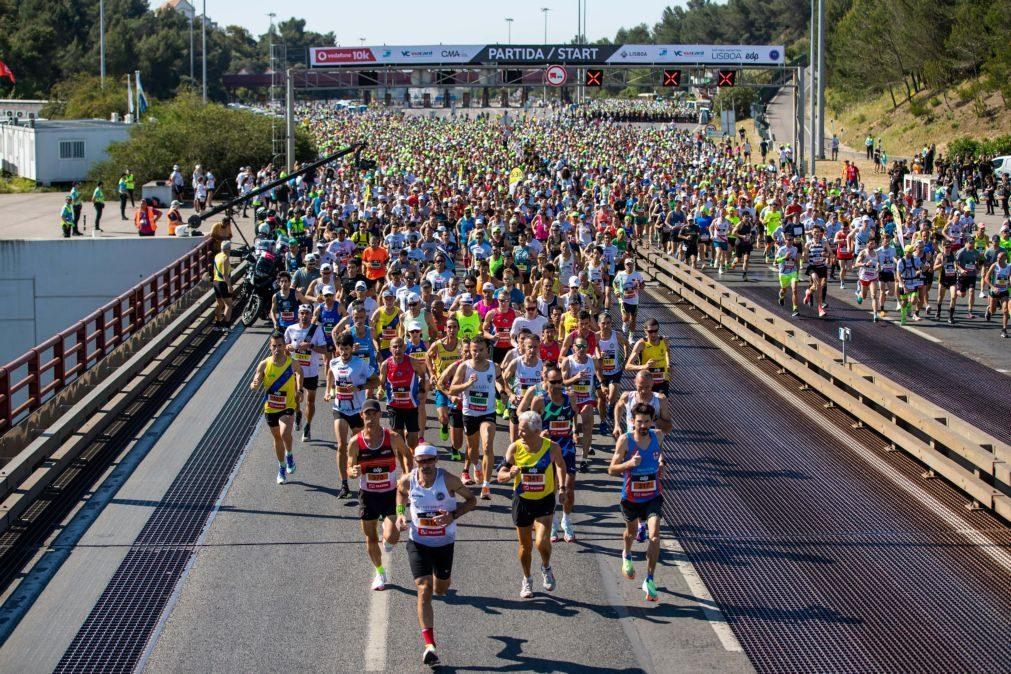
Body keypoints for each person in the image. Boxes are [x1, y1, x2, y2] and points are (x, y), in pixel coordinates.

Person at [395, 443, 477, 667]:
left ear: (436, 461)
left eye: (429, 460)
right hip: (418, 542)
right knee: (423, 587)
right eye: (421, 461)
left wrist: (453, 515)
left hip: (444, 543)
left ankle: (439, 583)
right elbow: (400, 494)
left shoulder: (448, 480)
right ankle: (429, 645)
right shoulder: (407, 480)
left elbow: (472, 500)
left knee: (441, 589)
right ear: (415, 462)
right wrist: (400, 515)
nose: (426, 465)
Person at [496, 411, 567, 599]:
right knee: (525, 546)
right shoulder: (515, 448)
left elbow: (560, 465)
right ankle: (527, 579)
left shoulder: (552, 448)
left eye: (524, 430)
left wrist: (563, 488)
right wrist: (510, 474)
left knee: (542, 542)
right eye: (519, 429)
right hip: (522, 501)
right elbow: (500, 475)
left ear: (537, 431)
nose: (520, 434)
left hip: (544, 500)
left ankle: (546, 567)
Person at [348, 398, 412, 591]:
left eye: (374, 413)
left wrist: (406, 474)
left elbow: (407, 454)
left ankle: (388, 537)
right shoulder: (355, 442)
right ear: (361, 416)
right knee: (370, 538)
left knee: (393, 536)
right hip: (367, 495)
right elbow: (349, 466)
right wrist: (352, 472)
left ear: (379, 415)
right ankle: (379, 571)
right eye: (367, 414)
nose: (370, 417)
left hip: (390, 494)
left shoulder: (392, 437)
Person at [608, 403, 666, 602]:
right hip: (631, 498)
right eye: (639, 421)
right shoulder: (625, 441)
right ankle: (626, 553)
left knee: (655, 537)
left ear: (652, 421)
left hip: (653, 496)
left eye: (646, 421)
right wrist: (629, 464)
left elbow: (659, 454)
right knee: (631, 533)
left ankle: (649, 579)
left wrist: (660, 464)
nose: (642, 425)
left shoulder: (658, 436)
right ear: (632, 421)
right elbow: (611, 469)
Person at [518, 365, 577, 542]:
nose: (558, 385)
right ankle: (552, 521)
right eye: (554, 382)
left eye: (560, 381)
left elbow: (573, 416)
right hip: (548, 448)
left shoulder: (571, 398)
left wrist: (575, 431)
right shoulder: (540, 401)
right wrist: (540, 433)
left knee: (569, 486)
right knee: (550, 488)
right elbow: (531, 422)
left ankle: (567, 520)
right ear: (546, 382)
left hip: (566, 446)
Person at [325, 333, 378, 500]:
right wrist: (328, 391)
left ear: (351, 348)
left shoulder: (360, 364)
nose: (344, 352)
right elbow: (330, 374)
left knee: (361, 447)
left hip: (357, 410)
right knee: (341, 445)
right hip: (340, 409)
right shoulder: (334, 362)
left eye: (347, 349)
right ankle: (344, 484)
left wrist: (359, 387)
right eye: (341, 349)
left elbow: (376, 381)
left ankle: (367, 482)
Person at [250, 331, 304, 484]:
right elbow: (256, 378)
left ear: (284, 346)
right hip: (271, 408)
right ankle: (281, 466)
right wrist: (254, 384)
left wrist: (299, 389)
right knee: (277, 438)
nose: (277, 349)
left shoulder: (291, 363)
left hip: (287, 406)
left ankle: (289, 455)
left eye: (280, 345)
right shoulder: (264, 364)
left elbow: (300, 373)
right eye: (274, 346)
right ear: (270, 347)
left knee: (285, 432)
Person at [447, 335, 497, 500]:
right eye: (474, 350)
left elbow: (503, 381)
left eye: (481, 350)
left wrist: (506, 393)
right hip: (470, 413)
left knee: (488, 443)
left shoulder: (493, 367)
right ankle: (476, 466)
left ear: (486, 350)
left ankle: (486, 486)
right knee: (472, 449)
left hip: (488, 412)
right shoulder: (464, 367)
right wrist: (467, 384)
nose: (477, 354)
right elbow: (452, 389)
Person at [284, 304, 327, 441]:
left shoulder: (317, 330)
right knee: (296, 398)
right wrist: (288, 347)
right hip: (295, 372)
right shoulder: (291, 329)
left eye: (307, 313)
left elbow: (325, 350)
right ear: (298, 315)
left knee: (310, 400)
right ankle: (298, 413)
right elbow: (282, 347)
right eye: (302, 313)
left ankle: (308, 426)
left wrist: (311, 346)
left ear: (311, 315)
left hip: (311, 372)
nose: (304, 316)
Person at [561, 334, 601, 475]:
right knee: (565, 430)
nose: (581, 349)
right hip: (571, 399)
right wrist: (576, 378)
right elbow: (563, 382)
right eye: (579, 346)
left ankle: (584, 459)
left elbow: (598, 376)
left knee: (588, 425)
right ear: (573, 348)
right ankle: (571, 438)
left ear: (588, 348)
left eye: (584, 346)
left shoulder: (592, 361)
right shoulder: (568, 361)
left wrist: (602, 386)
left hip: (586, 399)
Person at [379, 336, 425, 452]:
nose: (397, 349)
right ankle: (405, 463)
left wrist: (421, 389)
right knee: (398, 439)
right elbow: (382, 382)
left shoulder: (413, 362)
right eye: (394, 347)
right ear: (390, 349)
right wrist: (380, 390)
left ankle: (408, 441)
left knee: (413, 442)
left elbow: (422, 375)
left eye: (400, 346)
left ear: (404, 348)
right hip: (394, 406)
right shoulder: (385, 365)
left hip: (411, 406)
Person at [625, 318, 671, 396]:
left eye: (655, 331)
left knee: (662, 402)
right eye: (650, 332)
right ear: (645, 331)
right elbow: (627, 366)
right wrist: (644, 366)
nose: (653, 334)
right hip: (646, 382)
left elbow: (667, 352)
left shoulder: (664, 341)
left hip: (662, 380)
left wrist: (669, 365)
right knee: (647, 407)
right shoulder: (641, 344)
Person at [212, 240, 232, 331]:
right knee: (228, 304)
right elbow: (224, 275)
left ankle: (217, 324)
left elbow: (214, 271)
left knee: (219, 304)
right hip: (222, 283)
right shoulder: (225, 258)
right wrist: (229, 286)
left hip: (216, 281)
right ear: (228, 249)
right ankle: (226, 326)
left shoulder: (217, 256)